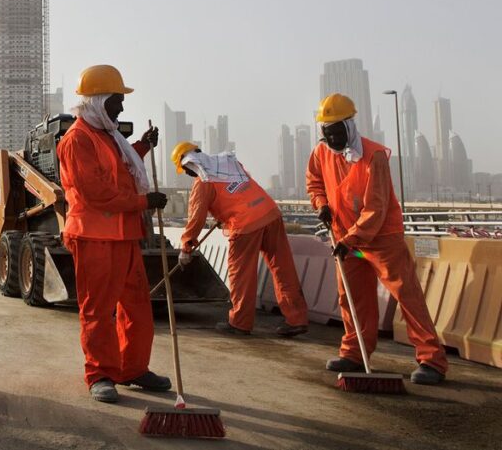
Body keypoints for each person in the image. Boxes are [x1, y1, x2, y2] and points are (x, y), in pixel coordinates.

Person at [307, 93, 447, 385]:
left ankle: (431, 360)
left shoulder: (374, 157)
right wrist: (320, 203)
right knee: (352, 298)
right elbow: (314, 182)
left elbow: (377, 207)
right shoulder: (321, 153)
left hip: (381, 240)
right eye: (326, 132)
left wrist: (352, 238)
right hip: (347, 241)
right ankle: (354, 354)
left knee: (406, 295)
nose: (331, 138)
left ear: (350, 126)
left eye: (336, 131)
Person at [55, 64, 171, 403]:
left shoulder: (108, 135)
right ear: (97, 100)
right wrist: (143, 201)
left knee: (136, 305)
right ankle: (100, 373)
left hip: (123, 234)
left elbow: (120, 170)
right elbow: (97, 192)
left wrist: (143, 147)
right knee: (98, 310)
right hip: (94, 237)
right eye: (117, 100)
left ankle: (132, 369)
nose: (121, 107)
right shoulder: (77, 140)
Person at [172, 143, 309, 336]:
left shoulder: (203, 180)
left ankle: (240, 322)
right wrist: (223, 213)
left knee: (241, 274)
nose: (187, 174)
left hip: (245, 224)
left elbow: (196, 218)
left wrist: (186, 246)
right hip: (270, 213)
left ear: (189, 164)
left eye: (185, 169)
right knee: (282, 267)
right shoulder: (228, 164)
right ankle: (297, 319)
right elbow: (239, 192)